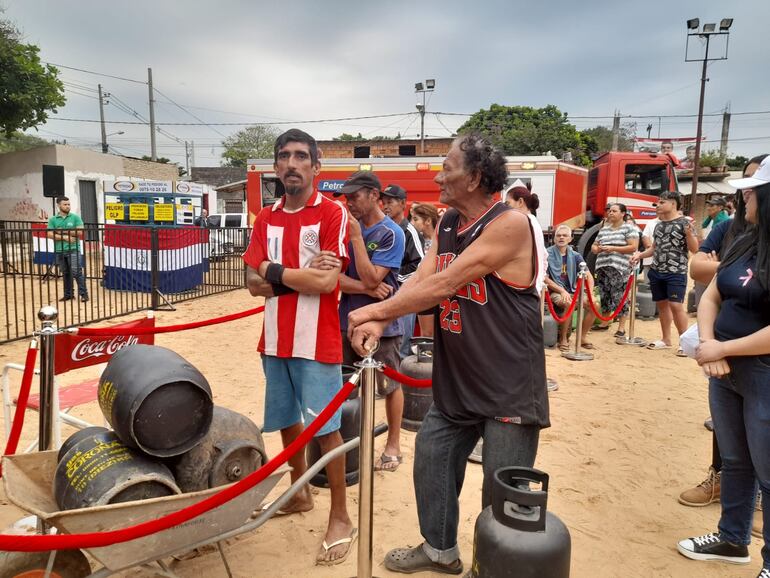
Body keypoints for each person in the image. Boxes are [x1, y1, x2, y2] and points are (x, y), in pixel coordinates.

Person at [347, 134, 548, 575]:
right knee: (432, 456)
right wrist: (380, 322)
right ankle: (440, 551)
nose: (438, 175)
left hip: (508, 381)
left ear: (475, 177)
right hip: (459, 377)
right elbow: (423, 277)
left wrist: (373, 309)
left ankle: (495, 567)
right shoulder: (450, 221)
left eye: (448, 167)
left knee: (503, 493)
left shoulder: (510, 224)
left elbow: (446, 284)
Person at [242, 129, 356, 566]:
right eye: (284, 156)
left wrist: (272, 271)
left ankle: (342, 516)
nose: (292, 163)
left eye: (301, 156)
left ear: (316, 165)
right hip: (274, 339)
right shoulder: (264, 217)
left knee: (327, 430)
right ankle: (300, 493)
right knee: (287, 421)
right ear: (275, 166)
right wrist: (297, 275)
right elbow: (251, 285)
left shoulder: (332, 213)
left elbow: (326, 282)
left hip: (318, 340)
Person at [677, 154, 770, 578]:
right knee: (735, 460)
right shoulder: (744, 237)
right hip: (726, 370)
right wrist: (712, 343)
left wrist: (724, 351)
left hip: (763, 374)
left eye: (751, 190)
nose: (743, 196)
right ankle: (733, 539)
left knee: (769, 471)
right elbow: (712, 292)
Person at [335, 171, 406, 472]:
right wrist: (366, 287)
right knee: (345, 387)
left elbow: (369, 276)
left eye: (355, 196)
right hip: (347, 320)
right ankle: (350, 448)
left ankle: (393, 444)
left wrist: (355, 239)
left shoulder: (391, 233)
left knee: (388, 384)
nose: (349, 203)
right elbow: (333, 279)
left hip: (383, 324)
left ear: (374, 195)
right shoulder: (343, 230)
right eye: (347, 197)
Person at [631, 191, 699, 353]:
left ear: (673, 203)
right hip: (657, 271)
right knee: (662, 306)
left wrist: (689, 234)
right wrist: (640, 255)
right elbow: (654, 248)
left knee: (676, 305)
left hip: (676, 271)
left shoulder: (685, 223)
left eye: (662, 202)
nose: (658, 206)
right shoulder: (659, 225)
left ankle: (684, 343)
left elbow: (695, 249)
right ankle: (666, 339)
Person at [380, 183, 425, 359]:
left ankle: (401, 385)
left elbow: (419, 265)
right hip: (384, 294)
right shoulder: (383, 228)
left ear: (403, 204)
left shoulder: (410, 231)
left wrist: (391, 277)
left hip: (405, 295)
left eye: (390, 201)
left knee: (402, 345)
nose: (385, 205)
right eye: (383, 201)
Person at [591, 203, 639, 338]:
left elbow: (633, 247)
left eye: (614, 211)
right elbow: (594, 246)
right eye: (609, 211)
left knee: (619, 296)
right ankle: (605, 323)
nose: (610, 213)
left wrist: (613, 248)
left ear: (623, 213)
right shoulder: (604, 229)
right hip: (602, 266)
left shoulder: (629, 228)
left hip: (620, 268)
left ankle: (622, 328)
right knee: (604, 294)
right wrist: (597, 249)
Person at [545, 224, 595, 351]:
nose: (561, 237)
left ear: (570, 238)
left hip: (573, 290)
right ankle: (563, 339)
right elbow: (544, 278)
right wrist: (561, 290)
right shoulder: (546, 254)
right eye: (558, 235)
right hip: (555, 291)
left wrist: (591, 294)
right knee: (569, 303)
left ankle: (582, 338)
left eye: (565, 235)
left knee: (595, 304)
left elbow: (589, 276)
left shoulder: (575, 255)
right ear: (554, 238)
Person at [505, 186, 547, 297]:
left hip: (523, 291)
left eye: (507, 204)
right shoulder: (533, 221)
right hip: (532, 289)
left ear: (520, 202)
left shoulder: (524, 222)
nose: (505, 208)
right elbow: (544, 257)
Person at [47, 196, 88, 303]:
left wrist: (62, 231)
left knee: (76, 272)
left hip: (73, 249)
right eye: (65, 204)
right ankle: (68, 295)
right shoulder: (53, 219)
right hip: (59, 250)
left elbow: (80, 232)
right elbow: (50, 234)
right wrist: (65, 237)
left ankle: (84, 294)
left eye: (68, 204)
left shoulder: (75, 217)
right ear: (59, 205)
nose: (67, 206)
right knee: (65, 273)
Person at [410, 202, 440, 337]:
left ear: (428, 220)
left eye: (415, 219)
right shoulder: (416, 239)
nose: (412, 222)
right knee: (426, 335)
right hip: (422, 291)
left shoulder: (443, 238)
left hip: (440, 291)